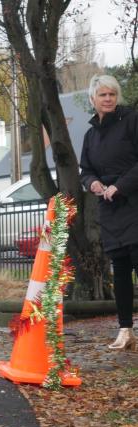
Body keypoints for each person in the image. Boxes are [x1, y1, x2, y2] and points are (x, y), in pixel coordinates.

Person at [81, 75, 138, 351]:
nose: (108, 99)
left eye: (112, 94)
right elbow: (86, 169)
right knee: (121, 273)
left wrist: (120, 185)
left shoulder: (132, 120)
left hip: (134, 202)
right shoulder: (90, 135)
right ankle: (125, 330)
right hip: (109, 209)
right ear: (93, 99)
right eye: (102, 95)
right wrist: (92, 182)